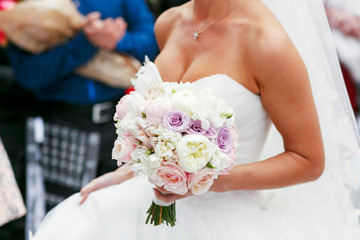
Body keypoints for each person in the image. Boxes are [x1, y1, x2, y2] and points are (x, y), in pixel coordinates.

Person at [31, 0, 360, 239]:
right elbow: (163, 126)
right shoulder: (170, 22)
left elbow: (308, 160)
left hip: (224, 218)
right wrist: (130, 171)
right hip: (147, 202)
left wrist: (205, 181)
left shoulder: (267, 42)